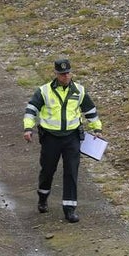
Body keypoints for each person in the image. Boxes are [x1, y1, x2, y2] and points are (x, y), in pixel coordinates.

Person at [23, 57, 102, 223]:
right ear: (56, 74)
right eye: (62, 74)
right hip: (50, 138)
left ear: (71, 72)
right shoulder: (44, 91)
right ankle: (43, 197)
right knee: (47, 170)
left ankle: (69, 209)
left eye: (67, 73)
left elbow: (90, 110)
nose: (65, 76)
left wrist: (97, 128)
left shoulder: (79, 91)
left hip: (72, 137)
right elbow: (31, 109)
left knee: (71, 172)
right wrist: (28, 128)